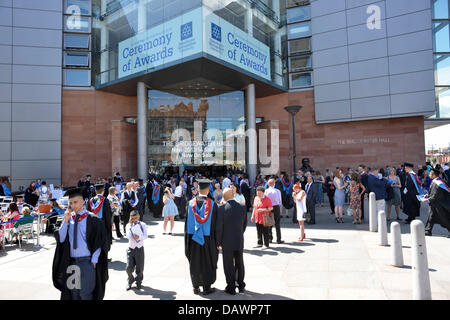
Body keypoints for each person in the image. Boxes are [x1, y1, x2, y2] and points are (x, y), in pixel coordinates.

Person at [52, 187, 108, 300]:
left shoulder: (93, 219)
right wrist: (65, 221)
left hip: (87, 263)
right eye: (70, 203)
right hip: (72, 263)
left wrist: (94, 260)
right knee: (73, 295)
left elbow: (99, 241)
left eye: (75, 202)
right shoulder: (69, 219)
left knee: (86, 295)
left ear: (83, 201)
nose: (73, 205)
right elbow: (61, 239)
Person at [184, 178, 219, 295]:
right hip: (208, 238)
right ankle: (206, 287)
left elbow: (186, 225)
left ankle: (195, 287)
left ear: (198, 189)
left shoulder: (190, 204)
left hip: (193, 238)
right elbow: (215, 225)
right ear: (209, 189)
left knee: (195, 261)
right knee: (207, 261)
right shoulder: (213, 205)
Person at [216, 188, 247, 295]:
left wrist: (218, 242)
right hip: (239, 239)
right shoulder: (242, 207)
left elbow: (219, 227)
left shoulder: (222, 208)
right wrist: (239, 233)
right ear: (233, 195)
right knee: (240, 263)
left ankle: (231, 287)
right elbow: (244, 225)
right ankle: (241, 285)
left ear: (224, 197)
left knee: (228, 264)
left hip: (226, 241)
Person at [424, 168, 450, 237]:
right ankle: (427, 231)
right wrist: (427, 195)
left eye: (430, 174)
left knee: (444, 219)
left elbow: (436, 195)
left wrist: (428, 199)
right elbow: (433, 193)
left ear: (433, 175)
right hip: (434, 204)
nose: (429, 175)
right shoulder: (434, 181)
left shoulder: (438, 183)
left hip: (439, 205)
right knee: (430, 217)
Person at [126, 210, 148, 290]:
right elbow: (128, 236)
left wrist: (139, 237)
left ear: (138, 216)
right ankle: (130, 279)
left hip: (139, 248)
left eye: (136, 218)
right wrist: (131, 226)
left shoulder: (142, 224)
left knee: (140, 268)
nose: (134, 220)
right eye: (132, 218)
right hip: (131, 248)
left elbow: (145, 236)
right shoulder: (128, 225)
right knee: (128, 268)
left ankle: (138, 282)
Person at [87, 184, 113, 254]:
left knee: (95, 239)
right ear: (103, 191)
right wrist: (109, 224)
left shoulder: (90, 201)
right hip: (103, 224)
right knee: (103, 240)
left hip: (92, 224)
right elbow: (107, 214)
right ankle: (103, 257)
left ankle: (95, 256)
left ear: (96, 191)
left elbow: (87, 213)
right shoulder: (105, 200)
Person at [264, 178, 284, 244]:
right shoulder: (278, 191)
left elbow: (264, 200)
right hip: (276, 207)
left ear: (268, 184)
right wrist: (280, 210)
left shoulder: (266, 191)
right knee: (277, 223)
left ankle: (270, 239)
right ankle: (279, 239)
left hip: (269, 207)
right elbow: (280, 202)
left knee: (269, 223)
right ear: (274, 184)